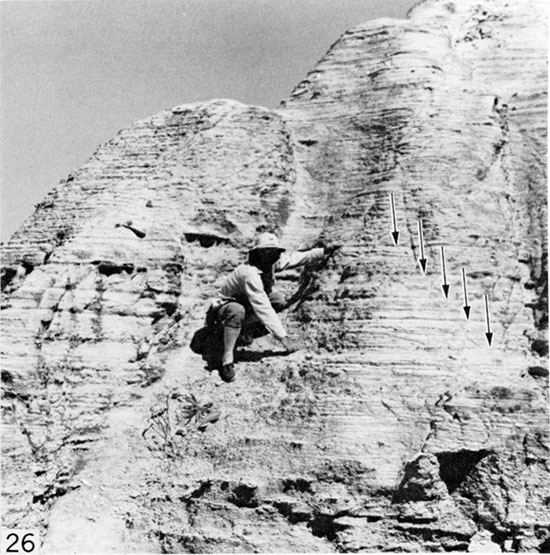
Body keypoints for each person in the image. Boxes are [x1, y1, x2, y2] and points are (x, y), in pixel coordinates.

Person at [194, 233, 338, 382]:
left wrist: (323, 251)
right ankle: (227, 358)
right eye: (266, 251)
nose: (270, 254)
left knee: (278, 300)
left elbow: (297, 258)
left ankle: (245, 334)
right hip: (224, 310)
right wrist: (283, 337)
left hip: (248, 305)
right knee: (237, 311)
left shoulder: (272, 263)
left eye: (273, 251)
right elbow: (262, 306)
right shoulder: (249, 272)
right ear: (257, 252)